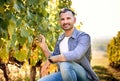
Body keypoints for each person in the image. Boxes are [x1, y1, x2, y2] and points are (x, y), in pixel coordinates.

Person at [36, 8, 99, 81]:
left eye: (68, 18)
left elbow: (77, 54)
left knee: (65, 64)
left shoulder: (83, 36)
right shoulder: (60, 39)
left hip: (83, 77)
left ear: (74, 20)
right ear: (59, 22)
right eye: (62, 19)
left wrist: (51, 60)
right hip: (64, 74)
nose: (65, 21)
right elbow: (54, 57)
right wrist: (44, 47)